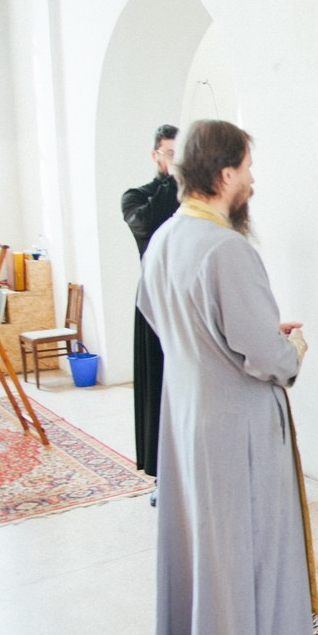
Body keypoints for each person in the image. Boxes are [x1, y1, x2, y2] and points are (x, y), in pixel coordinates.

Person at [137, 120, 317, 635]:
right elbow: (267, 357)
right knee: (250, 558)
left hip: (189, 419)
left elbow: (163, 316)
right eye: (247, 168)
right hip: (237, 428)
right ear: (223, 174)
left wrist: (232, 341)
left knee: (203, 556)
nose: (253, 181)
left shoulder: (164, 238)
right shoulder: (226, 248)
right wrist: (292, 348)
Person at [121, 124, 179, 499]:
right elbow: (146, 225)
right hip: (154, 301)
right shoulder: (137, 197)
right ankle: (162, 477)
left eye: (180, 154)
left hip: (187, 299)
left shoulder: (194, 196)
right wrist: (172, 181)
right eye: (169, 153)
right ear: (155, 155)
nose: (176, 160)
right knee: (159, 387)